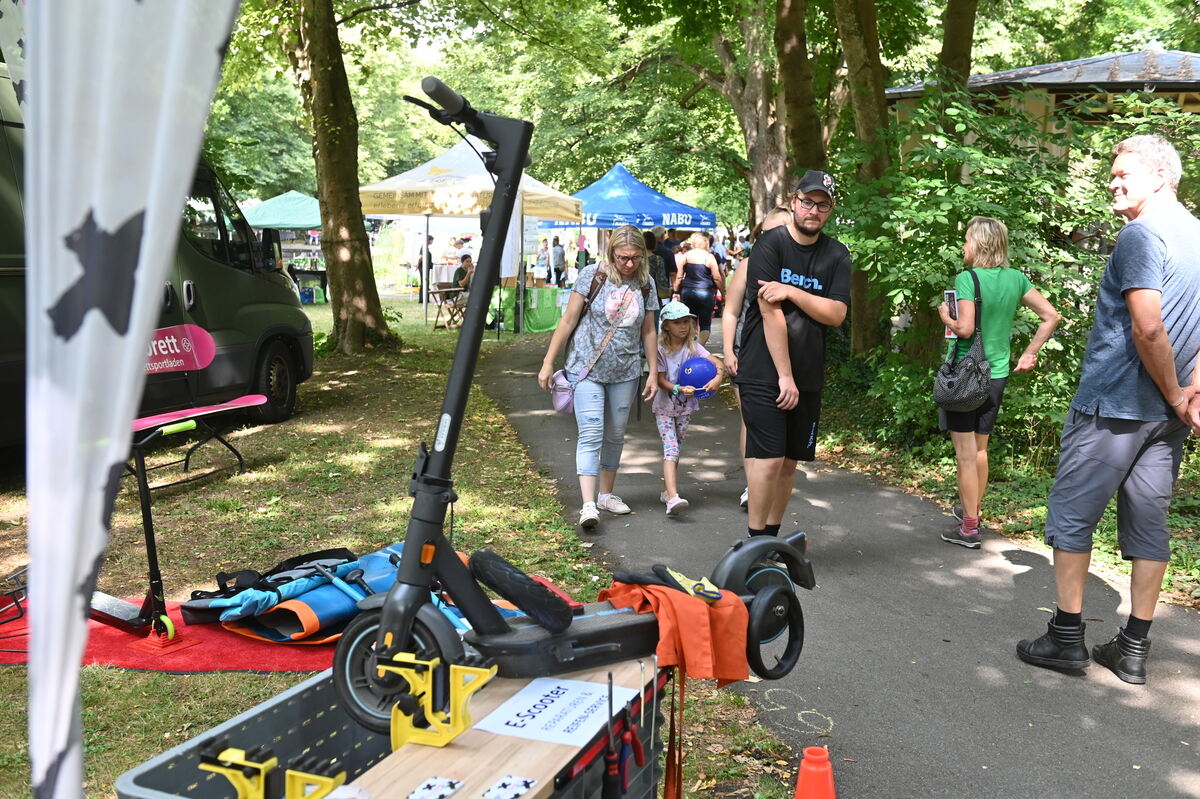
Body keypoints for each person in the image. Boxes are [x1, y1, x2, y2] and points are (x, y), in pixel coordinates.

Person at [1016, 134, 1200, 685]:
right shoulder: (1197, 235)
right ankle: (1133, 648)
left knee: (1071, 519)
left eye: (1124, 174)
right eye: (1112, 174)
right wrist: (1191, 394)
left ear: (1161, 177)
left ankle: (1066, 640)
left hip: (1114, 406)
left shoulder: (1140, 235)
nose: (1113, 183)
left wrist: (1175, 393)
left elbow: (1147, 326)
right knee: (1149, 526)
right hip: (1167, 418)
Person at [735, 170, 850, 538]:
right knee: (767, 460)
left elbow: (836, 314)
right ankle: (754, 547)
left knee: (788, 463)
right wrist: (784, 376)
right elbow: (770, 314)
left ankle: (771, 539)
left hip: (808, 372)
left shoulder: (836, 254)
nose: (812, 210)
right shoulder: (770, 244)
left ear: (830, 210)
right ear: (794, 199)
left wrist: (792, 292)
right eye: (807, 201)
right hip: (764, 371)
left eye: (822, 204)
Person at [936, 217, 1060, 548]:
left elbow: (963, 330)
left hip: (964, 374)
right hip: (996, 374)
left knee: (964, 452)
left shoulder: (967, 279)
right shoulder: (1016, 279)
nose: (963, 246)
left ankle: (969, 527)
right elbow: (1051, 316)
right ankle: (971, 511)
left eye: (966, 240)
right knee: (979, 448)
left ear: (979, 244)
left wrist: (945, 316)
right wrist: (1029, 353)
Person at [538, 225, 660, 529]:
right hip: (586, 367)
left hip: (626, 371)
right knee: (591, 434)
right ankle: (588, 504)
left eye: (635, 258)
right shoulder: (592, 275)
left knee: (616, 434)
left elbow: (648, 330)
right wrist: (547, 362)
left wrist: (654, 372)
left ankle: (607, 494)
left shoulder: (646, 283)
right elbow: (568, 321)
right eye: (623, 258)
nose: (629, 264)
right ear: (611, 252)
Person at [722, 205, 792, 509]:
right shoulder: (749, 265)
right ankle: (753, 485)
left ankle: (771, 483)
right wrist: (727, 350)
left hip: (791, 360)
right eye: (768, 232)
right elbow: (731, 310)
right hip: (749, 356)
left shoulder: (799, 269)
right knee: (751, 422)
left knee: (784, 430)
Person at [653, 301, 723, 515]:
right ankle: (673, 498)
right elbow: (660, 380)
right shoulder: (660, 349)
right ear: (666, 326)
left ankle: (667, 491)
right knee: (671, 448)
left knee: (676, 448)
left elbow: (716, 363)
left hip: (685, 408)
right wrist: (678, 388)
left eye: (686, 322)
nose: (683, 326)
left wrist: (718, 378)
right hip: (665, 407)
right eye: (677, 323)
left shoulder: (693, 346)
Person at [672, 232, 725, 346]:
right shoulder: (709, 257)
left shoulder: (686, 256)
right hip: (705, 291)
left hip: (687, 291)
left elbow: (679, 276)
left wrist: (675, 291)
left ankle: (690, 345)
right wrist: (723, 292)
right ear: (705, 244)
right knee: (705, 323)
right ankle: (700, 347)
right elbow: (717, 277)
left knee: (690, 319)